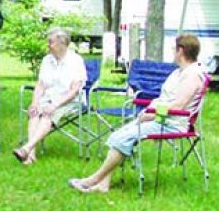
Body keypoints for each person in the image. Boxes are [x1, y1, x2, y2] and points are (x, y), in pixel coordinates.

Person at [68, 33, 205, 193]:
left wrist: (152, 114)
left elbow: (179, 105)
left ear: (181, 50)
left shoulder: (193, 74)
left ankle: (93, 180)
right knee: (118, 136)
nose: (173, 52)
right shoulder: (179, 72)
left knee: (123, 138)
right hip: (160, 119)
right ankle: (103, 184)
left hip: (171, 124)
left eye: (175, 49)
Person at [13, 27, 86, 165]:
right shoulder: (47, 60)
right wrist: (34, 103)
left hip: (69, 101)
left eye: (50, 42)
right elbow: (40, 85)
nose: (48, 45)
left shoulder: (76, 61)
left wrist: (55, 105)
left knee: (48, 114)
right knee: (35, 113)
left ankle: (27, 148)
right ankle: (30, 155)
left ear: (62, 43)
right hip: (48, 98)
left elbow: (74, 90)